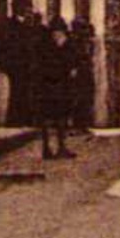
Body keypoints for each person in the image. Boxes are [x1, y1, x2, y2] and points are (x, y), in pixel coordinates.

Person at [34, 18, 79, 159]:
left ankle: (61, 147)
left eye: (59, 32)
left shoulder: (67, 45)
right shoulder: (46, 46)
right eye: (55, 32)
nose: (57, 35)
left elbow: (74, 63)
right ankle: (47, 149)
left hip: (61, 87)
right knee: (48, 119)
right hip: (49, 86)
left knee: (61, 118)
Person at [70, 17, 98, 133]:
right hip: (80, 71)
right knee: (80, 98)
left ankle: (83, 125)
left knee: (85, 97)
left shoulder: (84, 41)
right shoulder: (74, 41)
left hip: (85, 71)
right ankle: (79, 125)